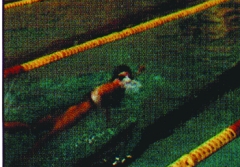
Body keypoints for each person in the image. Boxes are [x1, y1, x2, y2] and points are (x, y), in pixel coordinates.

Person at [4, 65, 141, 145]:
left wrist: (137, 73)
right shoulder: (112, 86)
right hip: (76, 113)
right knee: (47, 139)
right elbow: (99, 93)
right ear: (116, 78)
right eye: (122, 78)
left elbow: (103, 97)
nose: (126, 81)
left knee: (33, 128)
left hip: (73, 108)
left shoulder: (114, 90)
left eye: (127, 78)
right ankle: (20, 162)